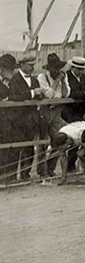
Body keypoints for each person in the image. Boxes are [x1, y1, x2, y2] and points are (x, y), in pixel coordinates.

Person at [7, 54, 45, 182]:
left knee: (29, 147)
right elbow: (13, 96)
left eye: (33, 65)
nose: (32, 68)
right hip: (18, 119)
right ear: (22, 65)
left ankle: (25, 174)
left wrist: (41, 94)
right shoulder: (14, 79)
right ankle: (11, 176)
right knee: (16, 148)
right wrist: (33, 93)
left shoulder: (34, 80)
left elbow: (37, 97)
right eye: (30, 65)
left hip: (32, 118)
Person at [37, 53, 70, 177]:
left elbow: (66, 94)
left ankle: (50, 168)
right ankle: (41, 171)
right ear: (49, 68)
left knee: (59, 139)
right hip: (44, 111)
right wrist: (57, 80)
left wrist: (62, 80)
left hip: (57, 111)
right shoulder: (42, 77)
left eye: (57, 68)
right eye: (53, 68)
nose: (55, 70)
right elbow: (49, 95)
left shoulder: (63, 76)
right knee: (44, 143)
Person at [50, 121, 85, 185]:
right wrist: (63, 178)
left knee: (84, 154)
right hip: (80, 133)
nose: (61, 150)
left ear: (67, 141)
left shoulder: (79, 136)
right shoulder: (61, 134)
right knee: (80, 154)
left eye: (61, 148)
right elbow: (63, 157)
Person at [0, 54, 17, 183]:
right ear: (2, 69)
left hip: (6, 119)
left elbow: (9, 96)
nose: (12, 72)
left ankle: (4, 177)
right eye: (9, 69)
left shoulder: (8, 82)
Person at [63, 56, 85, 123]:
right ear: (73, 67)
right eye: (79, 69)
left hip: (81, 110)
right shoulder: (66, 76)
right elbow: (68, 93)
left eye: (82, 69)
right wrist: (84, 94)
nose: (81, 71)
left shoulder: (83, 77)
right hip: (68, 110)